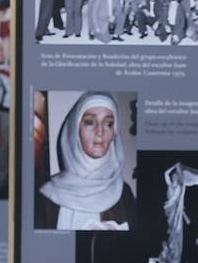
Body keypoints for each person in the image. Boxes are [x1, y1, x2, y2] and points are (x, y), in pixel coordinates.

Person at [35, 92, 135, 230]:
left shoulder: (124, 194)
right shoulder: (46, 197)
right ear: (75, 130)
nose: (100, 131)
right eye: (89, 122)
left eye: (109, 123)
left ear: (114, 133)